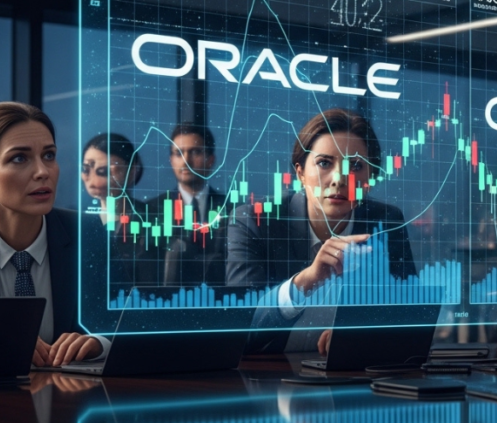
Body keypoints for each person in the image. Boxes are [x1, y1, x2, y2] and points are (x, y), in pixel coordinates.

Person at [226, 108, 416, 353]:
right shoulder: (254, 220)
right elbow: (241, 328)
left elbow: (409, 314)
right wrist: (306, 280)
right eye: (324, 163)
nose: (339, 179)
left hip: (349, 370)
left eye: (356, 165)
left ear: (370, 178)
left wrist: (360, 331)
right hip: (268, 370)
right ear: (301, 174)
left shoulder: (386, 222)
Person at [0, 102, 108, 367]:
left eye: (49, 155)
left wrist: (99, 342)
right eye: (19, 158)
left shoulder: (88, 234)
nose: (43, 172)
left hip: (72, 392)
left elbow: (127, 323)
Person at [143, 123, 227, 287]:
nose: (186, 160)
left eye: (195, 152)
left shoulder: (231, 210)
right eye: (178, 153)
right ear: (171, 160)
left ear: (211, 159)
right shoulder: (151, 211)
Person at [80, 132, 147, 288]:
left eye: (104, 171)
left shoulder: (150, 220)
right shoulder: (78, 222)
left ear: (132, 171)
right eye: (86, 169)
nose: (92, 178)